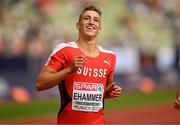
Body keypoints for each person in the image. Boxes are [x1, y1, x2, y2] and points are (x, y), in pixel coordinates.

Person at [36, 5, 121, 124]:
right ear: (78, 25)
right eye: (87, 18)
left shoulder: (110, 56)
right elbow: (40, 83)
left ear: (99, 28)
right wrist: (69, 70)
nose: (91, 22)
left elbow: (104, 91)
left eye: (96, 20)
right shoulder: (64, 50)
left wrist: (110, 92)